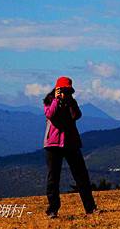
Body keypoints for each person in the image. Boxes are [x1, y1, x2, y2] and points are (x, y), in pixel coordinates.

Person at [43, 76, 97, 218]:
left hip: (71, 142)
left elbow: (76, 116)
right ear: (56, 89)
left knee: (81, 176)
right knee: (53, 178)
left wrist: (70, 102)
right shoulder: (49, 101)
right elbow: (50, 114)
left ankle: (90, 208)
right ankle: (53, 209)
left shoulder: (71, 102)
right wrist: (56, 100)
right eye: (63, 90)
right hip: (53, 144)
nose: (65, 93)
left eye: (68, 90)